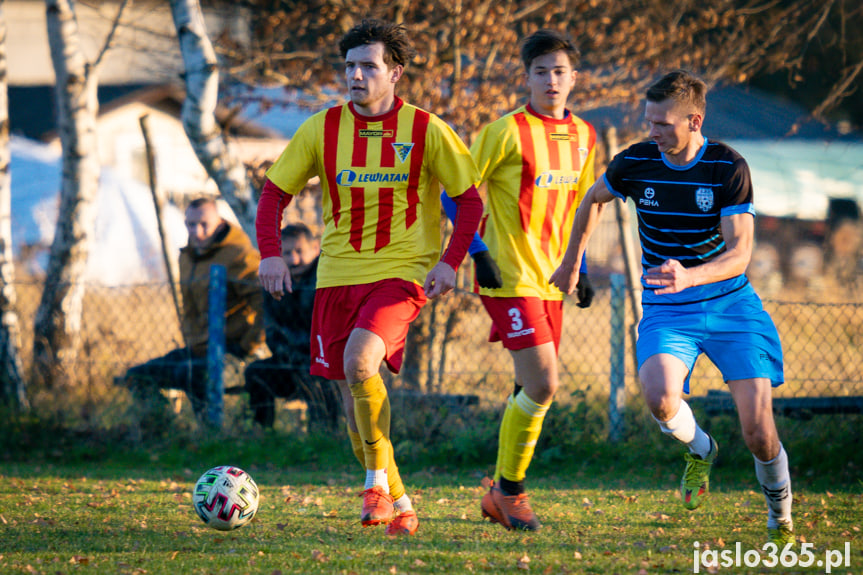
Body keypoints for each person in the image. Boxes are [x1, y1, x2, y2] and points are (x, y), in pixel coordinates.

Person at [255, 19, 483, 537]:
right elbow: (273, 195)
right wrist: (270, 253)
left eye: (368, 66)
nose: (356, 75)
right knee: (351, 408)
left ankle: (375, 486)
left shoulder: (427, 129)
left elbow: (469, 203)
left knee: (361, 362)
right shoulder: (321, 128)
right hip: (335, 278)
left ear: (395, 72)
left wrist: (450, 261)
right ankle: (400, 501)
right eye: (350, 66)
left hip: (401, 275)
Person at [550, 70, 793, 547]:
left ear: (694, 120)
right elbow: (592, 201)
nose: (653, 132)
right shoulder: (637, 161)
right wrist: (571, 263)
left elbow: (740, 252)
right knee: (660, 397)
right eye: (648, 121)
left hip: (731, 307)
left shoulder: (727, 167)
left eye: (662, 123)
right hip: (668, 308)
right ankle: (701, 450)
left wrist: (691, 274)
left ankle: (780, 517)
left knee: (759, 430)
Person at [444, 29, 598, 532]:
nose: (551, 80)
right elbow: (455, 191)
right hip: (509, 277)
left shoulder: (585, 136)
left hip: (554, 280)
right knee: (544, 383)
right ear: (526, 76)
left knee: (526, 388)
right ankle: (510, 493)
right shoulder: (504, 131)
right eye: (540, 71)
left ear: (574, 78)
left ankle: (498, 494)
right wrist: (478, 251)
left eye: (559, 72)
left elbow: (584, 205)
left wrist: (581, 263)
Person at [119, 197, 265, 423]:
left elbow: (264, 302)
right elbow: (188, 307)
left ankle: (210, 435)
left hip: (234, 350)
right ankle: (163, 429)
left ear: (219, 222)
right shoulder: (187, 256)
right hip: (197, 348)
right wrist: (192, 338)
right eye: (190, 224)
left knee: (194, 374)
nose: (196, 231)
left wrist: (250, 345)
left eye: (204, 224)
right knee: (137, 377)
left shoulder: (239, 254)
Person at [244, 223, 341, 430]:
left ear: (315, 248)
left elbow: (332, 327)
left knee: (318, 378)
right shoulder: (273, 280)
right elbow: (271, 326)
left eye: (299, 251)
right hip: (287, 360)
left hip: (322, 361)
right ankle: (262, 431)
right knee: (256, 373)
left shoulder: (328, 278)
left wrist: (309, 354)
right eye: (286, 253)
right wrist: (284, 352)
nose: (294, 259)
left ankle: (325, 433)